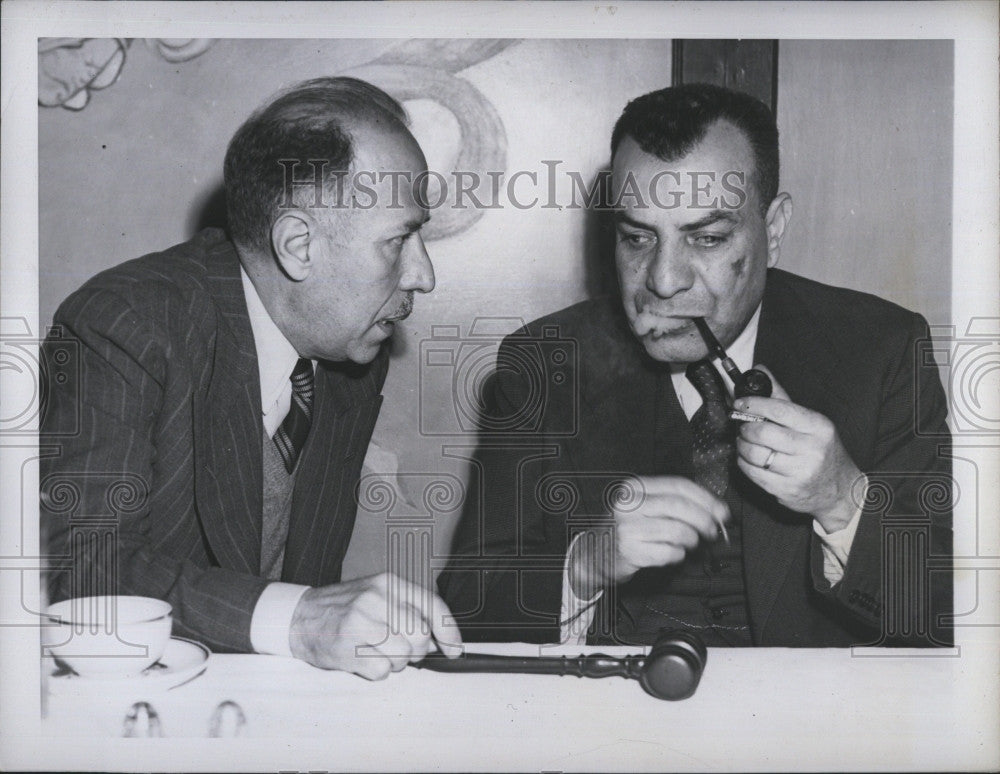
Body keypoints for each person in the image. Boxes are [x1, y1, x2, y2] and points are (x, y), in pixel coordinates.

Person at [438, 83, 953, 647]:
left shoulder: (881, 350)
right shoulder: (542, 364)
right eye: (637, 238)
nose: (662, 280)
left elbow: (952, 615)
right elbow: (467, 608)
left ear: (773, 228)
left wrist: (842, 500)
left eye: (705, 238)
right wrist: (585, 565)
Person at [41, 77, 462, 679]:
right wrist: (298, 620)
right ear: (298, 246)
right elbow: (77, 567)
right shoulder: (124, 324)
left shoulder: (346, 359)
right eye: (400, 240)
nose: (423, 276)